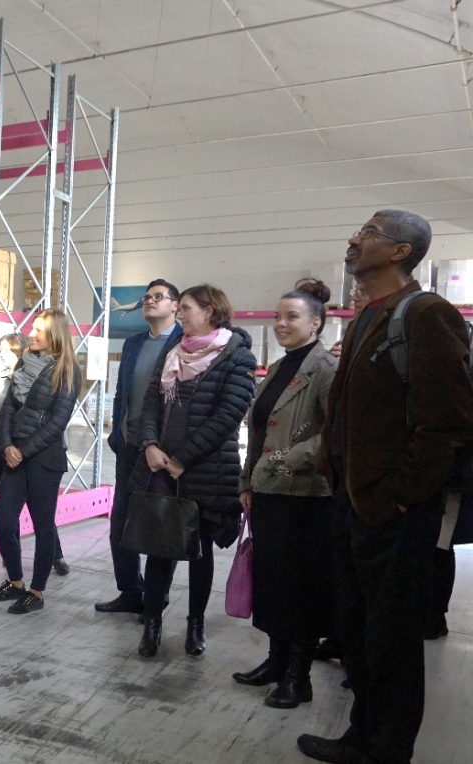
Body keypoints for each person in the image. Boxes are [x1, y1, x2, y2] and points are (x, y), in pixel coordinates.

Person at [299, 211, 473, 764]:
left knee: (392, 639)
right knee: (356, 629)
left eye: (370, 233)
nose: (354, 239)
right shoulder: (366, 316)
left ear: (401, 252)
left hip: (393, 509)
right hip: (353, 502)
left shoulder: (425, 312)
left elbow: (447, 421)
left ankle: (388, 749)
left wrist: (401, 495)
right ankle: (361, 735)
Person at [130, 284, 257, 658]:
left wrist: (181, 459)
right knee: (158, 550)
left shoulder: (238, 357)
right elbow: (150, 404)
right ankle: (152, 624)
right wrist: (150, 445)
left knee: (199, 555)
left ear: (210, 311)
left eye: (185, 308)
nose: (180, 315)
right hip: (160, 469)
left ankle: (195, 623)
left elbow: (227, 416)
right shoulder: (172, 353)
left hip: (206, 472)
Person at [234, 279, 338, 709]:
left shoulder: (325, 370)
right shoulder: (279, 367)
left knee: (302, 587)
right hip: (269, 493)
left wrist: (282, 462)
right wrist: (248, 482)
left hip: (307, 497)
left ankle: (299, 675)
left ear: (316, 323)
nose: (281, 324)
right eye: (277, 317)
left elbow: (335, 435)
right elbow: (257, 432)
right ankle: (276, 661)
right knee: (273, 582)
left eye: (291, 317)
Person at [95, 279, 183, 615]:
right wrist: (117, 435)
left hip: (163, 451)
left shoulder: (183, 342)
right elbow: (122, 394)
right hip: (129, 447)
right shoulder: (132, 344)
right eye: (147, 297)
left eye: (158, 297)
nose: (150, 301)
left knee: (160, 525)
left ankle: (156, 598)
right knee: (121, 522)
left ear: (175, 305)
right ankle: (131, 591)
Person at [0, 310, 81, 613]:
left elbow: (57, 423)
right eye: (33, 327)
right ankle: (15, 583)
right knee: (3, 524)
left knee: (43, 528)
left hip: (44, 460)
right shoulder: (26, 364)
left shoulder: (66, 370)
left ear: (55, 334)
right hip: (14, 456)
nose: (33, 333)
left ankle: (36, 592)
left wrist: (22, 451)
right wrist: (6, 445)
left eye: (39, 329)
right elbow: (8, 408)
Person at [0, 333, 69, 574]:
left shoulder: (49, 375)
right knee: (6, 512)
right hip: (2, 445)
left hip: (37, 450)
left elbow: (56, 419)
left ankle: (55, 557)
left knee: (41, 513)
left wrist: (21, 445)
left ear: (19, 351)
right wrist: (7, 438)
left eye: (6, 350)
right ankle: (12, 564)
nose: (2, 354)